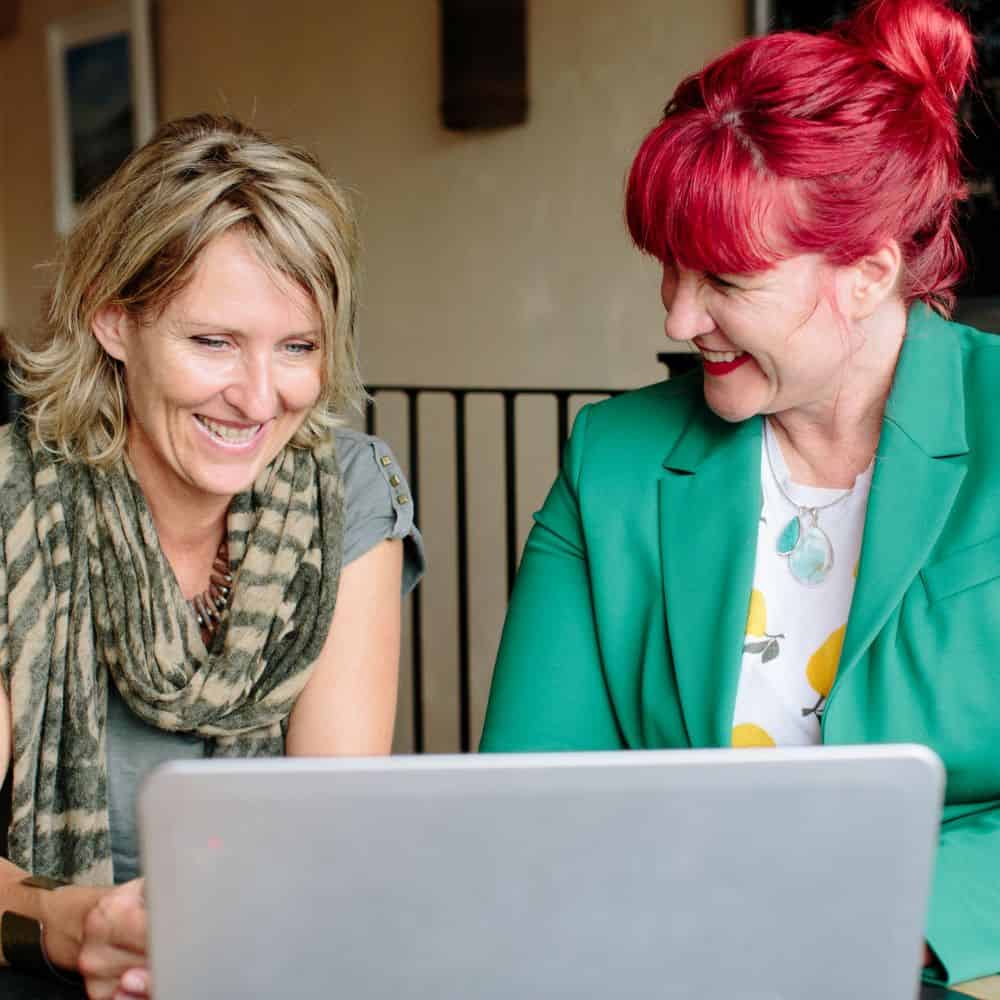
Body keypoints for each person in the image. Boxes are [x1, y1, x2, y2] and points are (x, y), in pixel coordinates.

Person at [481, 0, 999, 987]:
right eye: (669, 271)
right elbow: (531, 796)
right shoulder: (614, 459)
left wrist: (895, 923)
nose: (681, 315)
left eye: (724, 279)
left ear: (868, 272)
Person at [0, 114, 424, 998]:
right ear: (112, 319)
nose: (260, 398)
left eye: (298, 347)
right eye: (214, 341)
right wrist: (73, 925)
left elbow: (329, 834)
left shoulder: (347, 493)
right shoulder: (15, 505)